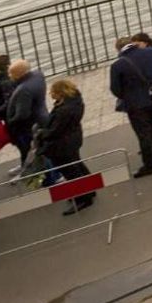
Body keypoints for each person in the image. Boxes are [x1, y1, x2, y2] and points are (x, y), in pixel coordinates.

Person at [36, 79, 100, 211]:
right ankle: (90, 189)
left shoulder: (63, 110)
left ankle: (83, 198)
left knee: (71, 172)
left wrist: (41, 134)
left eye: (52, 92)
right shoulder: (75, 101)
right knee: (77, 165)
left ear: (60, 93)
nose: (50, 94)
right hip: (73, 139)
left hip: (63, 145)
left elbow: (55, 131)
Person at [110, 35, 152, 177]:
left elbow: (115, 89)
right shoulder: (151, 52)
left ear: (119, 48)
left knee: (143, 133)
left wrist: (127, 95)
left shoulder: (118, 65)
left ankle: (149, 165)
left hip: (135, 103)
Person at [3, 58, 47, 169]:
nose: (9, 76)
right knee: (38, 148)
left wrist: (11, 121)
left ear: (18, 74)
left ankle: (46, 176)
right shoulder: (38, 75)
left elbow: (22, 114)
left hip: (29, 126)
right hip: (41, 116)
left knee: (31, 150)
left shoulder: (23, 89)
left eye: (11, 73)